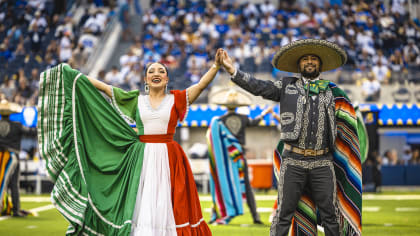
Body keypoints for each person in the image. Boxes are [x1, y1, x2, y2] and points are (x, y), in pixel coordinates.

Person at [38, 49, 225, 235]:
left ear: (167, 80)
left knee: (168, 202)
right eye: (151, 71)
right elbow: (104, 88)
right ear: (145, 80)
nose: (156, 74)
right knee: (143, 204)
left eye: (161, 71)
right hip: (141, 159)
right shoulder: (136, 101)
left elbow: (200, 85)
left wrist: (216, 66)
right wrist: (76, 77)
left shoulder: (177, 99)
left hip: (170, 158)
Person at [218, 39, 365, 236]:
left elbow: (347, 122)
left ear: (320, 65)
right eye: (306, 59)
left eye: (314, 59)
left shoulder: (333, 91)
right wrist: (233, 71)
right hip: (293, 161)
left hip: (323, 162)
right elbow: (260, 87)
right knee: (283, 214)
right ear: (299, 65)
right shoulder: (287, 86)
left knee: (330, 214)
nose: (310, 62)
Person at [207, 89, 272, 225]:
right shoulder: (243, 118)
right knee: (247, 187)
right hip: (240, 156)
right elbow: (255, 122)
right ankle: (256, 217)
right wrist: (264, 113)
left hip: (225, 159)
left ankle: (218, 213)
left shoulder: (219, 121)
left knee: (222, 183)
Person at [0, 98, 34, 217]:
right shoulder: (17, 125)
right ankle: (15, 209)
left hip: (0, 156)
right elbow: (31, 132)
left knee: (1, 182)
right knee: (13, 183)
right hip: (12, 156)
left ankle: (5, 206)